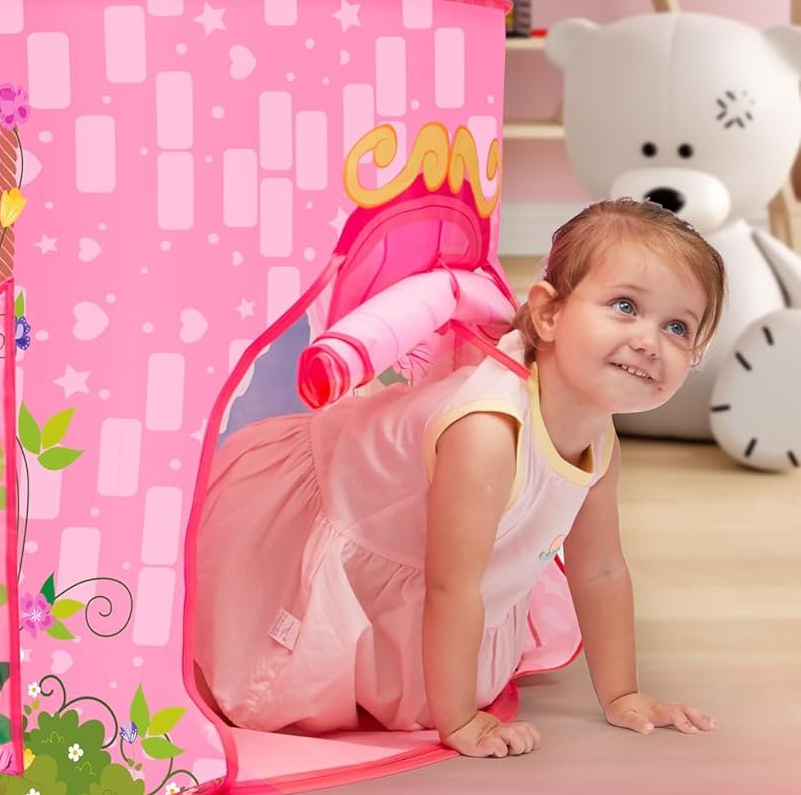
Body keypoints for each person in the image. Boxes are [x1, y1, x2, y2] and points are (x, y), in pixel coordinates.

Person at [193, 199, 724, 758]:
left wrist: (623, 694)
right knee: (287, 686)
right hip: (328, 511)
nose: (649, 341)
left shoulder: (599, 438)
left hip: (420, 556)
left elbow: (600, 569)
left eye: (677, 327)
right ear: (547, 315)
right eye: (624, 306)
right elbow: (450, 586)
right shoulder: (488, 431)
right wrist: (459, 719)